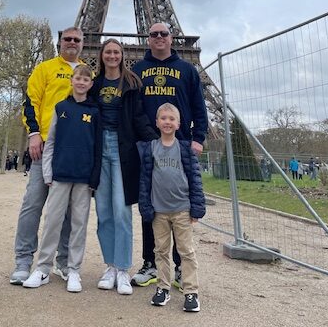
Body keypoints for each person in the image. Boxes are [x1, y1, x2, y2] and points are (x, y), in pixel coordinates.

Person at [131, 22, 208, 289]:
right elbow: (134, 108)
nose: (159, 37)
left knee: (180, 204)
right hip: (149, 147)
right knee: (149, 204)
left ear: (171, 37)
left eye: (164, 33)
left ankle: (177, 266)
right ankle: (151, 262)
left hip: (181, 144)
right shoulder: (138, 69)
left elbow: (199, 105)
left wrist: (198, 138)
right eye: (154, 34)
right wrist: (144, 139)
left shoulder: (187, 69)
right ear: (148, 39)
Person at [10, 27, 85, 286]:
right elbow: (31, 101)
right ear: (60, 42)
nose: (72, 43)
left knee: (66, 210)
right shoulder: (45, 69)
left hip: (73, 150)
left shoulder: (87, 72)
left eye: (77, 40)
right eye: (68, 39)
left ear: (83, 44)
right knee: (33, 203)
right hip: (44, 146)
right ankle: (23, 261)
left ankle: (63, 262)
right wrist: (33, 133)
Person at [23, 65, 101, 293]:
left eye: (86, 79)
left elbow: (98, 147)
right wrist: (48, 173)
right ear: (72, 80)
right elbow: (52, 143)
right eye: (78, 78)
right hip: (60, 174)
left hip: (83, 178)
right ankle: (43, 267)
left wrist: (94, 178)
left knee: (79, 224)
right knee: (53, 222)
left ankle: (73, 268)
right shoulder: (60, 108)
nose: (81, 82)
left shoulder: (95, 112)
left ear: (91, 84)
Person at [89, 38, 157, 295]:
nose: (112, 56)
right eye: (108, 52)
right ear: (102, 55)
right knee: (104, 211)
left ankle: (123, 268)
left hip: (123, 148)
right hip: (100, 149)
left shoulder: (131, 83)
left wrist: (156, 142)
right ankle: (110, 266)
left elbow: (139, 116)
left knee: (122, 210)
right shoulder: (94, 85)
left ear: (122, 55)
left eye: (116, 52)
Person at [138, 103, 206, 312]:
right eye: (163, 118)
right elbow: (145, 181)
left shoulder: (185, 149)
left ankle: (191, 291)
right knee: (161, 251)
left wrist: (196, 208)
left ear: (178, 123)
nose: (167, 122)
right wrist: (145, 207)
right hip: (159, 210)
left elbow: (195, 179)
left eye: (171, 118)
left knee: (186, 251)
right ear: (157, 122)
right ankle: (163, 287)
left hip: (182, 209)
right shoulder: (150, 148)